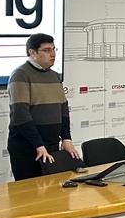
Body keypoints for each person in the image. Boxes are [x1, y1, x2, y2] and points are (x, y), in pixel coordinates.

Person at [8, 33, 79, 180]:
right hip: (28, 147)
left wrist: (66, 138)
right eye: (46, 50)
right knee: (29, 191)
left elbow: (63, 109)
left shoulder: (54, 76)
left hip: (51, 145)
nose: (52, 54)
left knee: (54, 189)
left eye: (53, 49)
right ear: (32, 53)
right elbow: (21, 115)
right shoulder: (20, 74)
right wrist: (38, 145)